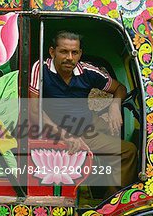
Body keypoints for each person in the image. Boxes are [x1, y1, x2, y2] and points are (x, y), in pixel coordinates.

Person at [29, 31, 137, 193]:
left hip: (86, 126)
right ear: (52, 52)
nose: (69, 57)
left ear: (80, 54)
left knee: (121, 140)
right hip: (55, 132)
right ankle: (107, 199)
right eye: (64, 51)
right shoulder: (41, 69)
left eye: (75, 52)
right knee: (123, 150)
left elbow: (119, 88)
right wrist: (66, 136)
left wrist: (114, 106)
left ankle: (108, 197)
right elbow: (34, 111)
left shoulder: (88, 71)